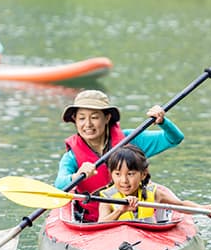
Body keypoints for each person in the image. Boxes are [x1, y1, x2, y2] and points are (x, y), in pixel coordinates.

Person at [56, 89, 184, 222]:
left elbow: (174, 138)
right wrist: (77, 176)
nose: (88, 124)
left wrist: (163, 122)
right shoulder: (72, 156)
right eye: (82, 118)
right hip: (93, 221)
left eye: (94, 117)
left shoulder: (130, 140)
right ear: (74, 120)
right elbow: (59, 186)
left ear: (107, 118)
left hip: (138, 217)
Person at [98, 145, 211, 222]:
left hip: (149, 241)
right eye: (118, 174)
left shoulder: (154, 194)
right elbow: (100, 224)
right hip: (117, 244)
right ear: (111, 174)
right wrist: (120, 211)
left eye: (130, 174)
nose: (124, 180)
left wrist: (204, 208)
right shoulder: (107, 198)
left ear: (143, 174)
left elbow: (181, 205)